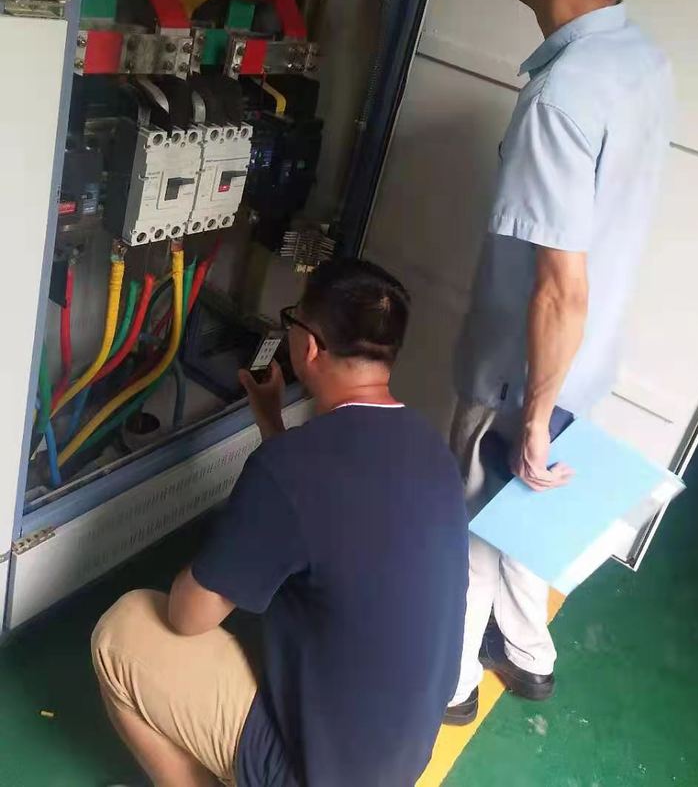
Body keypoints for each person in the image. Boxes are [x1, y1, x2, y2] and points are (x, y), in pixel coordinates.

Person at [444, 0, 672, 725]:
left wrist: (532, 419)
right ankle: (529, 654)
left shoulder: (561, 96)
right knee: (524, 517)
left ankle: (450, 686)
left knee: (471, 525)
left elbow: (557, 288)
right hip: (582, 363)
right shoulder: (638, 60)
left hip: (522, 374)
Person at [92, 259, 468, 787]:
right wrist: (270, 421)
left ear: (308, 346)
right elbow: (326, 507)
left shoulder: (290, 470)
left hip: (312, 774)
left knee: (124, 628)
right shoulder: (432, 451)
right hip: (396, 760)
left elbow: (187, 617)